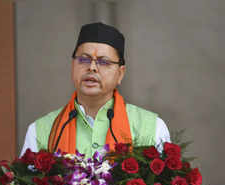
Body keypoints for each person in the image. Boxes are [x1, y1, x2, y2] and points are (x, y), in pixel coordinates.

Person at [20, 22, 170, 158]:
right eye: (84, 59)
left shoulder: (152, 127)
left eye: (103, 62)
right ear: (73, 66)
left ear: (120, 73)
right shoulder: (41, 131)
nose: (91, 67)